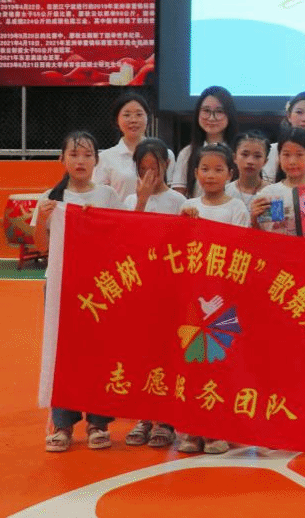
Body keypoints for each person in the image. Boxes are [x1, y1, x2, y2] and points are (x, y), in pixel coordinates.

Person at [34, 130, 124, 453]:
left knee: (99, 352)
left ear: (97, 160)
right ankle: (62, 424)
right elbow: (41, 247)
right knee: (62, 352)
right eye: (74, 155)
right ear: (62, 159)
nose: (81, 161)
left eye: (87, 155)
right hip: (62, 286)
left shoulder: (108, 195)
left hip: (100, 287)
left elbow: (121, 238)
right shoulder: (51, 198)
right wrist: (42, 220)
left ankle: (98, 423)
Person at [176, 143, 249, 454]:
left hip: (223, 302)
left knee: (219, 364)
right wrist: (185, 223)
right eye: (205, 169)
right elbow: (177, 251)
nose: (211, 175)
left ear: (230, 174)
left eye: (218, 170)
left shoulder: (237, 208)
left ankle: (216, 428)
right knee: (193, 363)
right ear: (195, 173)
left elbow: (239, 251)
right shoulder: (188, 207)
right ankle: (191, 429)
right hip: (192, 300)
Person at [122, 137, 185, 449]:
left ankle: (166, 419)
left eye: (155, 168)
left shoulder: (179, 202)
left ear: (166, 165)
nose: (150, 174)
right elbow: (127, 238)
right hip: (140, 287)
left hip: (169, 289)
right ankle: (144, 415)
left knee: (168, 353)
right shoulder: (129, 201)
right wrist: (141, 201)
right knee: (142, 353)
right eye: (143, 168)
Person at [251, 127, 305, 239]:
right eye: (286, 155)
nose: (292, 161)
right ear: (279, 157)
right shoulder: (268, 194)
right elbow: (258, 238)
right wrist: (254, 219)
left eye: (299, 154)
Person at [95, 91, 174, 202]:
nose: (133, 120)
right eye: (126, 115)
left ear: (148, 118)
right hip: (121, 213)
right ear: (117, 119)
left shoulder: (166, 154)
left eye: (139, 114)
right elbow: (99, 197)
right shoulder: (105, 158)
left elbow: (170, 194)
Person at [172, 86, 239, 197]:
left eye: (219, 111)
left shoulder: (239, 152)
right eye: (206, 111)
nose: (211, 118)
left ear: (230, 114)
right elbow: (179, 197)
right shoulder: (187, 153)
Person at [230, 131, 270, 210]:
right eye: (244, 154)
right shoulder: (224, 192)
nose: (250, 161)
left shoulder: (274, 193)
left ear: (265, 161)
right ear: (234, 157)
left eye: (257, 156)